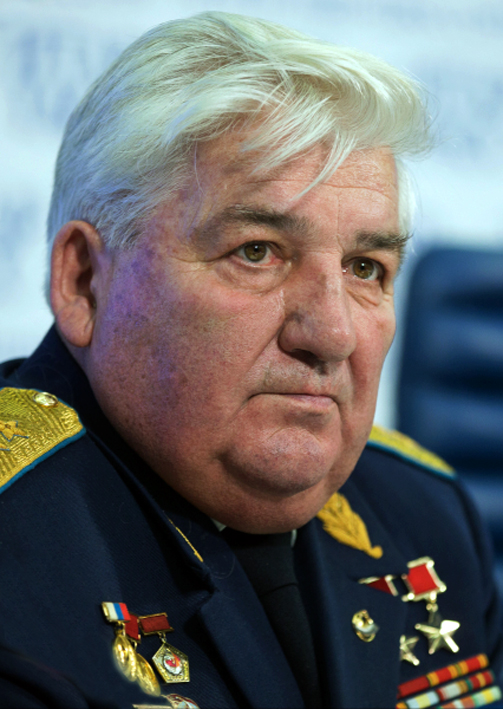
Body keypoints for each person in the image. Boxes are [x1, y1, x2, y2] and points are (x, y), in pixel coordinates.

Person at [0, 11, 501, 709]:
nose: (332, 333)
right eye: (257, 252)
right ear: (85, 280)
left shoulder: (424, 514)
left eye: (365, 267)